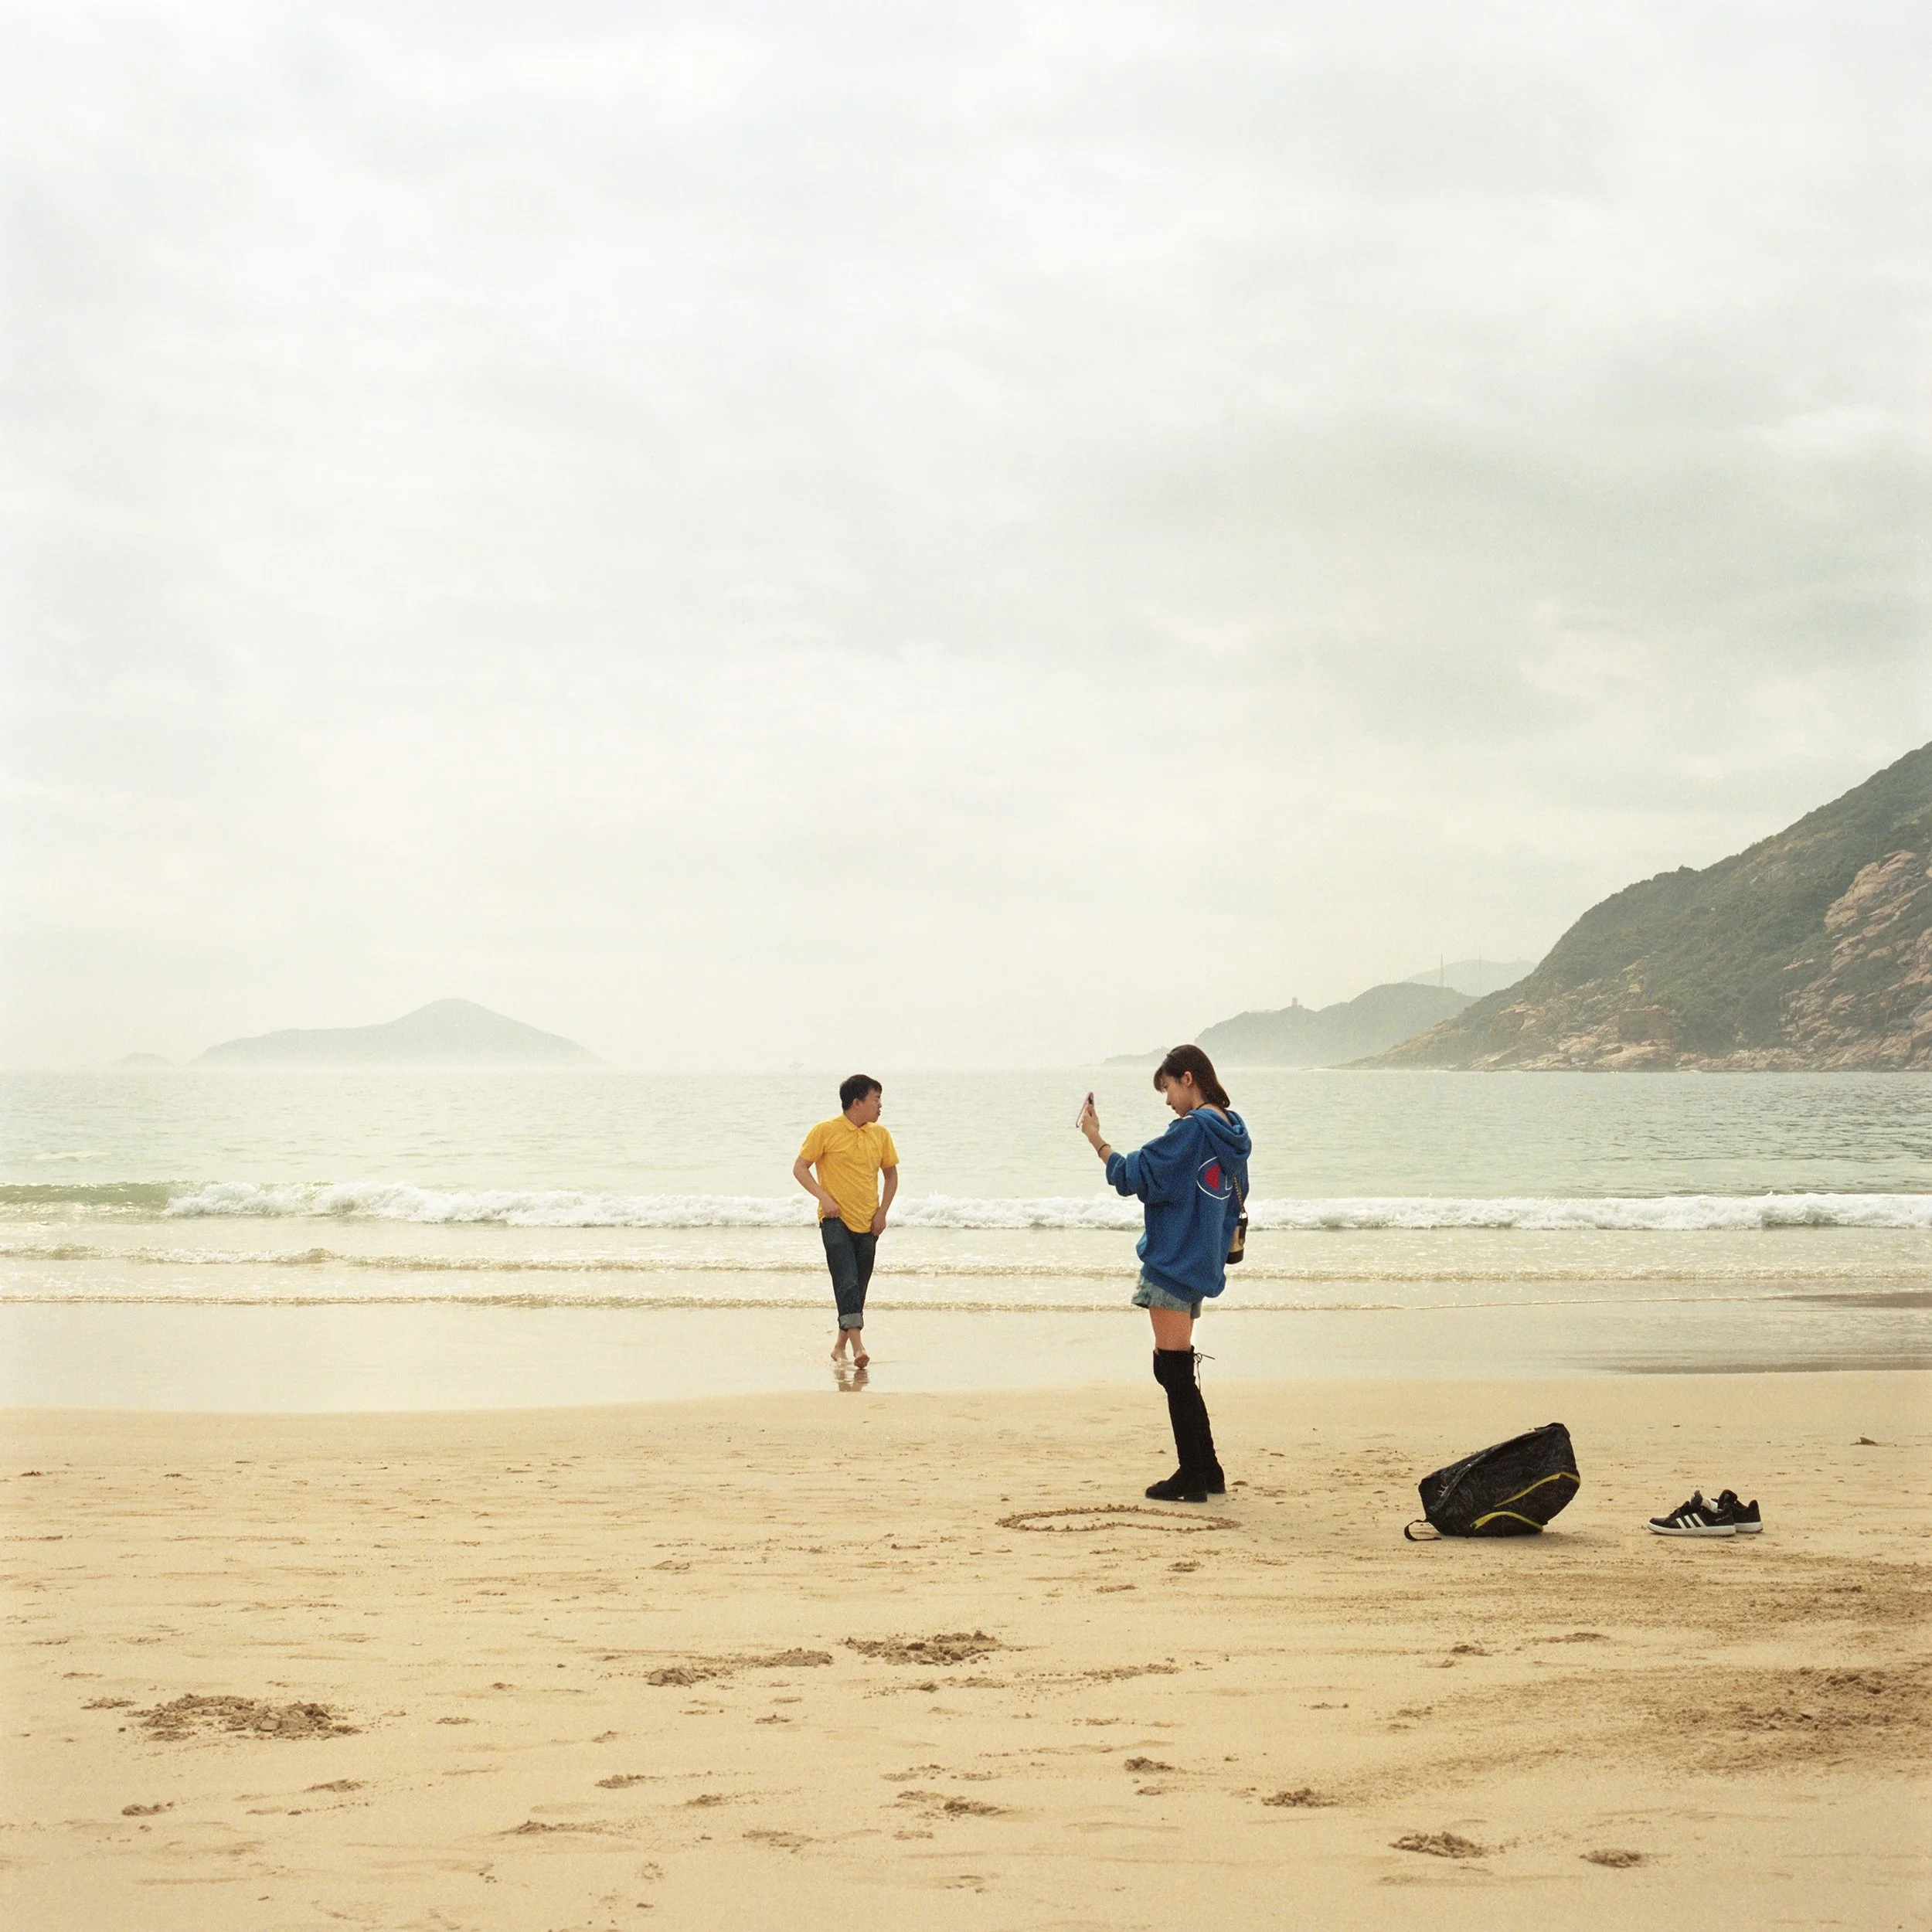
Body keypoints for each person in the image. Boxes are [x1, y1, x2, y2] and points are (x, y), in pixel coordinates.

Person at [1078, 1046, 1250, 1503]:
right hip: (1201, 1261)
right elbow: (1236, 1193)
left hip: (1174, 1259)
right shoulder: (1232, 1131)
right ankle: (1208, 1469)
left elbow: (1134, 1175)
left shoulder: (1192, 1131)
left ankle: (1192, 1476)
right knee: (1176, 1365)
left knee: (1172, 1367)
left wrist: (1096, 1138)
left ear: (1188, 1079)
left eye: (1169, 1088)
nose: (1167, 1100)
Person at [794, 1075, 900, 1368]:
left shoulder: (880, 1135)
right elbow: (800, 1168)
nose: (880, 1106)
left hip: (869, 1222)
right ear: (857, 1103)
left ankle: (839, 1347)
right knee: (847, 1281)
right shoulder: (825, 1131)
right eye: (876, 1100)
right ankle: (858, 1347)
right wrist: (823, 1198)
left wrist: (883, 1213)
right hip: (834, 1219)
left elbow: (891, 1176)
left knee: (857, 1287)